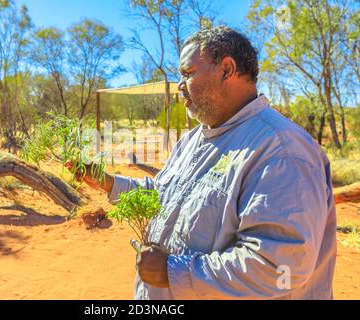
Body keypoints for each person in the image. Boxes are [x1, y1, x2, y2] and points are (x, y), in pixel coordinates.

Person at [71, 26, 337, 300]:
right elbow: (161, 195)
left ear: (226, 69)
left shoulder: (281, 151)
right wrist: (108, 182)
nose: (179, 85)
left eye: (187, 73)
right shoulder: (193, 140)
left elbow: (280, 269)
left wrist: (172, 272)